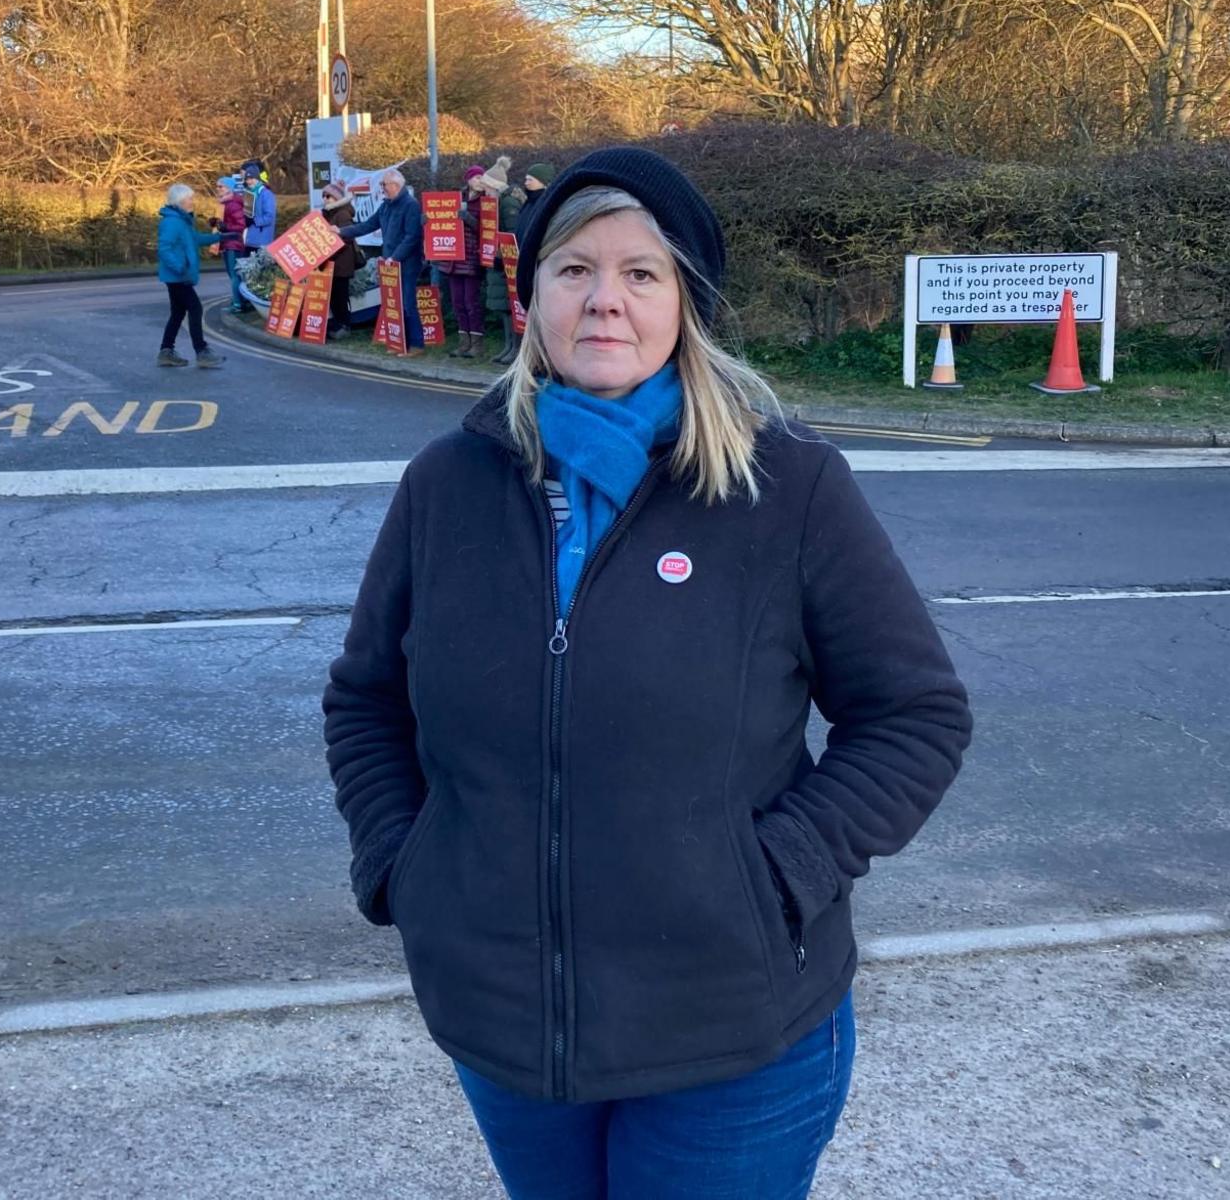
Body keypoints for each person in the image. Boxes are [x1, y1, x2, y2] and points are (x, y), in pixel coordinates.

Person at [324, 146, 971, 1198]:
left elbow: (913, 716)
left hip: (729, 1030)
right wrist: (404, 868)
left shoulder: (787, 487)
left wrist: (774, 876)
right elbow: (365, 701)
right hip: (504, 1024)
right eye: (573, 270)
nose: (604, 301)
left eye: (641, 273)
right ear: (529, 296)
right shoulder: (446, 484)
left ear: (686, 304)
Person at [336, 169, 425, 351]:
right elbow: (367, 225)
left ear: (395, 185)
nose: (382, 188)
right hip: (390, 263)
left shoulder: (411, 205)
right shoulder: (386, 206)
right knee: (395, 304)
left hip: (407, 263)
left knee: (408, 303)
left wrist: (395, 257)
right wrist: (341, 231)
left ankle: (416, 344)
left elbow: (412, 237)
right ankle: (400, 342)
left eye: (384, 184)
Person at [482, 160, 545, 364]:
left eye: (531, 178)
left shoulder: (508, 202)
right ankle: (510, 347)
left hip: (510, 260)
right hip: (504, 260)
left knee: (513, 308)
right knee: (505, 307)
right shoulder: (504, 202)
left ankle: (516, 349)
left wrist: (504, 253)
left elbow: (511, 231)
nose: (526, 181)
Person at [155, 183, 224, 368]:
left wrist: (221, 237)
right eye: (190, 198)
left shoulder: (182, 220)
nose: (192, 201)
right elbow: (164, 249)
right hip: (178, 277)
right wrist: (180, 267)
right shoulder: (172, 222)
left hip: (178, 276)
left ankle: (166, 351)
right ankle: (201, 351)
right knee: (195, 309)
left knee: (177, 313)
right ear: (180, 201)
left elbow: (195, 239)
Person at [445, 166, 489, 358]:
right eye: (476, 177)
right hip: (453, 258)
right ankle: (464, 342)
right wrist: (428, 221)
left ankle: (477, 344)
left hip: (471, 257)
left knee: (471, 301)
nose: (479, 180)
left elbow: (487, 229)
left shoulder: (485, 201)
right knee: (457, 302)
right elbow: (442, 221)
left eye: (482, 177)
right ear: (468, 179)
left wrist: (469, 219)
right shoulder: (456, 198)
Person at [320, 181, 367, 335]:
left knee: (341, 296)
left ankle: (345, 325)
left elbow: (346, 236)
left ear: (337, 198)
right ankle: (338, 324)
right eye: (324, 196)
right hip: (332, 261)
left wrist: (329, 250)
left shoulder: (342, 214)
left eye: (329, 196)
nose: (325, 199)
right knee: (334, 296)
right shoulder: (328, 213)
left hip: (342, 262)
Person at [218, 175, 251, 314]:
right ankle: (239, 300)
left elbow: (240, 225)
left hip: (233, 244)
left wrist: (226, 226)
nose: (218, 189)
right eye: (217, 186)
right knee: (234, 275)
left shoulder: (233, 204)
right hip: (228, 242)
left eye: (221, 186)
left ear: (229, 188)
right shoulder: (224, 203)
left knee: (234, 275)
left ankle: (238, 303)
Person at [244, 161, 278, 258]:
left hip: (262, 242)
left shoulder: (266, 194)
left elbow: (269, 217)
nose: (249, 181)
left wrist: (254, 221)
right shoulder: (248, 194)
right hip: (250, 240)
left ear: (258, 179)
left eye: (251, 178)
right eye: (247, 179)